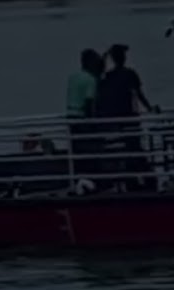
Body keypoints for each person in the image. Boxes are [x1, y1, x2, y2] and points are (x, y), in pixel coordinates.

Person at [97, 44, 156, 188]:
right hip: (129, 117)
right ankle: (145, 178)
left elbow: (101, 85)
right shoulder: (129, 74)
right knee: (134, 147)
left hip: (117, 118)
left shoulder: (109, 76)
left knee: (127, 149)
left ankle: (133, 178)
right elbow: (139, 94)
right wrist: (149, 108)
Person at [66, 49, 103, 177]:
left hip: (70, 117)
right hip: (82, 118)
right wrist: (93, 123)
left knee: (76, 150)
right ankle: (91, 177)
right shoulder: (91, 80)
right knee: (89, 149)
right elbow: (89, 103)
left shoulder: (73, 77)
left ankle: (78, 177)